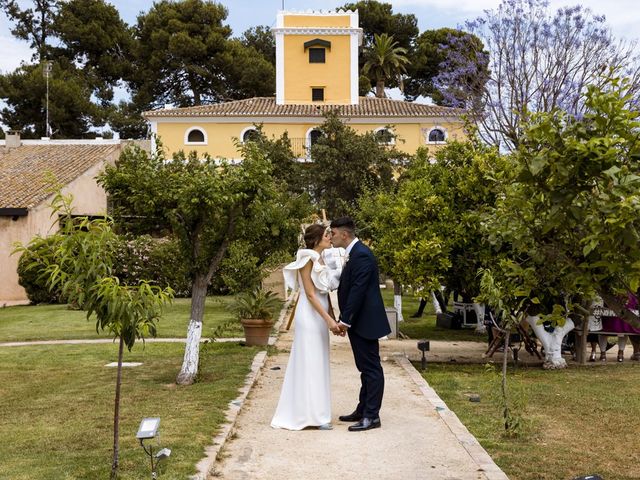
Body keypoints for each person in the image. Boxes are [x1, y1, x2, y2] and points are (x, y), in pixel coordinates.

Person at [271, 224, 343, 431]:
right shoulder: (306, 260)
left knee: (319, 360)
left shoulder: (321, 259)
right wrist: (328, 320)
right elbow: (311, 294)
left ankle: (319, 413)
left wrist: (332, 317)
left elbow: (324, 292)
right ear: (316, 239)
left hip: (320, 314)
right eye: (326, 235)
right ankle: (308, 415)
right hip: (309, 314)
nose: (330, 237)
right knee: (309, 360)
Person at [330, 216, 391, 432]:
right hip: (358, 321)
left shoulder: (362, 255)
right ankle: (363, 408)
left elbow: (358, 291)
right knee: (364, 368)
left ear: (344, 234)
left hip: (365, 321)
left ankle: (372, 416)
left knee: (371, 368)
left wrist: (345, 321)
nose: (331, 237)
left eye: (333, 233)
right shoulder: (354, 254)